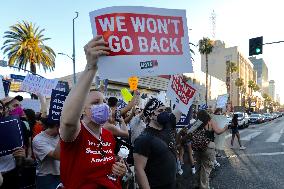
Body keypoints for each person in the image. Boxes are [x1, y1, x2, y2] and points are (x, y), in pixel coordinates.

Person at [59, 35, 126, 189]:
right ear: (82, 108)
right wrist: (91, 67)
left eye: (104, 102)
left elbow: (108, 167)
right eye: (95, 103)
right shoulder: (75, 133)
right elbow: (68, 121)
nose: (102, 106)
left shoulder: (108, 135)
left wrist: (120, 168)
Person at [133, 98, 182, 189]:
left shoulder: (167, 126)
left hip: (172, 184)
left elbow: (181, 107)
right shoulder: (144, 138)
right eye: (160, 111)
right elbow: (139, 170)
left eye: (165, 110)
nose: (164, 113)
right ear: (151, 115)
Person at [192, 110, 228, 189]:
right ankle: (204, 187)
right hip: (208, 146)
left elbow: (190, 133)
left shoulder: (196, 123)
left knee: (198, 166)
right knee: (206, 168)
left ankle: (197, 185)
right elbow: (218, 131)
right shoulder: (210, 121)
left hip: (197, 147)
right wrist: (225, 128)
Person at [0, 99, 28, 189]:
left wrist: (21, 155)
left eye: (0, 108)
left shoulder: (16, 126)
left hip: (11, 174)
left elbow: (22, 156)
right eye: (15, 105)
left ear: (4, 110)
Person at [32, 118, 60, 189]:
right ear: (57, 126)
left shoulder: (58, 136)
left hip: (62, 175)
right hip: (47, 177)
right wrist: (63, 136)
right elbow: (56, 156)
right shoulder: (38, 140)